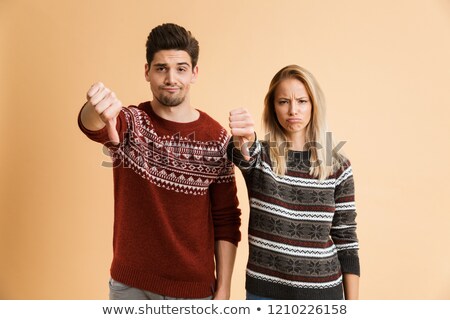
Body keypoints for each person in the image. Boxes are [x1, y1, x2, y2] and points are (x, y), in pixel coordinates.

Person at [78, 23, 241, 300]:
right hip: (130, 287)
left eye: (180, 68)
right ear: (147, 72)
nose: (171, 78)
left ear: (194, 73)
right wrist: (95, 107)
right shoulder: (131, 123)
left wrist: (223, 289)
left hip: (194, 293)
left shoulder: (216, 138)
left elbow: (226, 218)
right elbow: (94, 126)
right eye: (161, 68)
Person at [228, 65, 360, 300]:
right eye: (283, 102)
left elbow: (346, 238)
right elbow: (240, 152)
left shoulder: (338, 165)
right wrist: (245, 138)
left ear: (314, 105)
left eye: (301, 101)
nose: (293, 110)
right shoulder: (262, 157)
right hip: (264, 293)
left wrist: (352, 308)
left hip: (323, 296)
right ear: (272, 107)